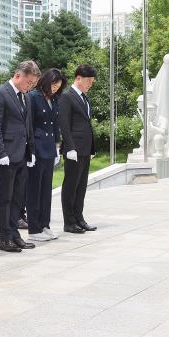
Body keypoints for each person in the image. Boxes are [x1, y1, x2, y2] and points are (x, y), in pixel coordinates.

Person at [0, 60, 39, 252]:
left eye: (33, 84)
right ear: (18, 76)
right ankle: (4, 237)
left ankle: (14, 234)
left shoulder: (25, 97)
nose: (31, 86)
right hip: (6, 156)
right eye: (29, 82)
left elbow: (28, 126)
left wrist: (31, 151)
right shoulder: (0, 93)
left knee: (18, 198)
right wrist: (0, 153)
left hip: (21, 154)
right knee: (5, 198)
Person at [26, 68, 65, 242]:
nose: (55, 88)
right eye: (54, 85)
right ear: (46, 81)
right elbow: (30, 125)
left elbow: (55, 124)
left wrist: (57, 144)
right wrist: (31, 149)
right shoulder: (34, 97)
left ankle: (44, 224)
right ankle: (34, 228)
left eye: (58, 86)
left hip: (49, 148)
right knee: (34, 189)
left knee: (46, 190)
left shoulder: (54, 99)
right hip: (37, 148)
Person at [58, 64, 98, 234]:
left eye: (92, 81)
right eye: (89, 81)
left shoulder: (84, 97)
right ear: (78, 78)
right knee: (71, 185)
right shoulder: (67, 96)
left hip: (84, 149)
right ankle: (69, 222)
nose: (90, 84)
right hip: (74, 149)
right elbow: (64, 124)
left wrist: (92, 148)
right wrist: (70, 147)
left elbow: (86, 124)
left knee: (81, 186)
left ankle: (79, 218)